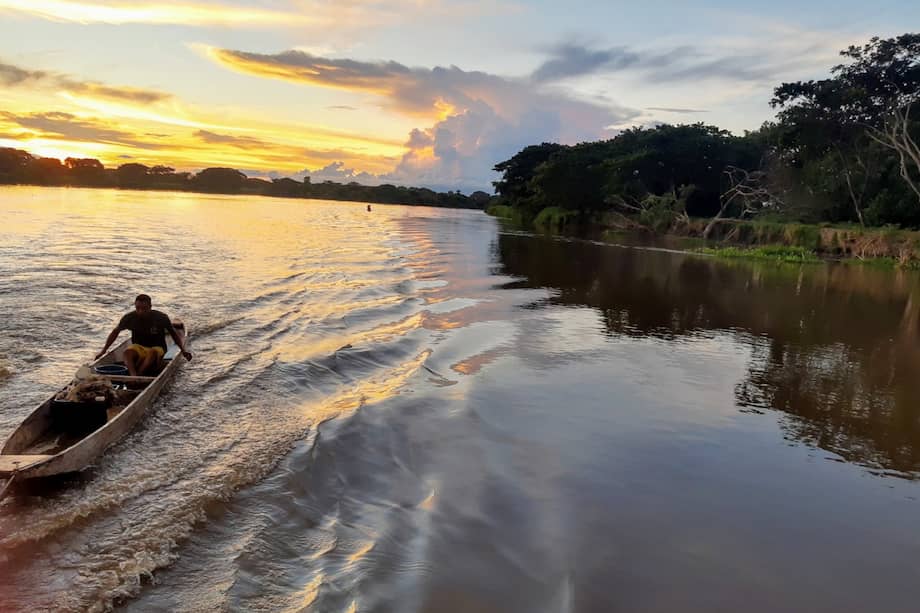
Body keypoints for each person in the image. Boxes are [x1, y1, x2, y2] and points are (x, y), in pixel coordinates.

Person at [95, 294, 192, 376]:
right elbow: (115, 332)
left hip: (157, 348)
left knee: (152, 353)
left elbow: (173, 334)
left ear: (150, 307)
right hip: (139, 347)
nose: (140, 311)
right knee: (127, 352)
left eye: (144, 309)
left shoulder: (161, 318)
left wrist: (183, 351)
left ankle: (139, 376)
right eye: (138, 308)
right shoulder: (129, 318)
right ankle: (133, 375)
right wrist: (103, 351)